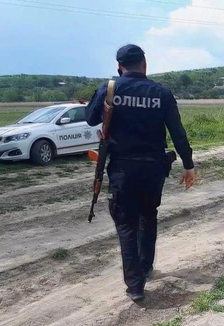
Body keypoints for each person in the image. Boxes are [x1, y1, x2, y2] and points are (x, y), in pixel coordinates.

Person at [85, 44, 196, 301]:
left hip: (123, 167)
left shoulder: (110, 89)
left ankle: (135, 286)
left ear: (119, 67)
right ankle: (145, 268)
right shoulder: (161, 93)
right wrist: (188, 165)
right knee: (148, 216)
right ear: (145, 64)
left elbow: (91, 119)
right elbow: (178, 133)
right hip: (154, 168)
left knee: (126, 224)